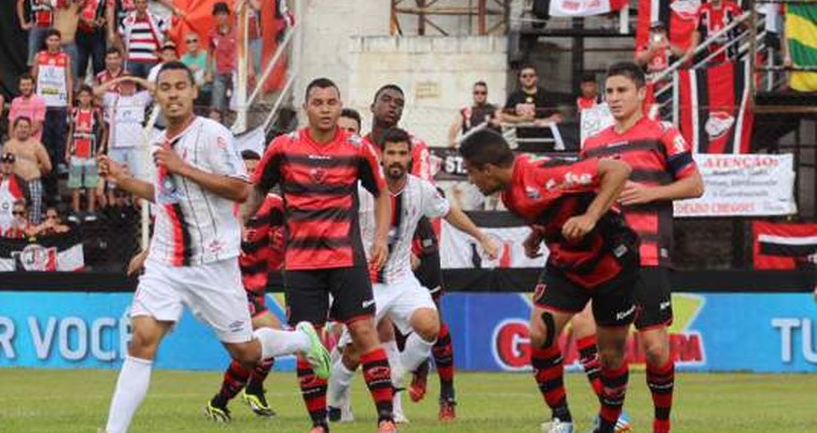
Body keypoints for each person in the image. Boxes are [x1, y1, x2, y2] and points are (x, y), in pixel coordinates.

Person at [99, 61, 329, 433]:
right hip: (167, 262)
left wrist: (182, 167)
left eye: (180, 86)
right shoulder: (158, 143)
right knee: (142, 339)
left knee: (247, 353)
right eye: (165, 88)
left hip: (213, 263)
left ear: (193, 93)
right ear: (156, 95)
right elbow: (166, 197)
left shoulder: (214, 135)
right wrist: (125, 181)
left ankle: (301, 339)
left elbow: (242, 189)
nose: (173, 93)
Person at [243, 78, 398, 432]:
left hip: (347, 258)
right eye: (318, 102)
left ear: (340, 105)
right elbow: (257, 191)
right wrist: (240, 223)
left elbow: (382, 193)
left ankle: (386, 418)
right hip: (300, 264)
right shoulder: (283, 147)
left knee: (363, 331)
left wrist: (381, 239)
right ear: (306, 108)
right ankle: (318, 423)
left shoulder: (357, 148)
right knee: (308, 340)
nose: (326, 109)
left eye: (332, 102)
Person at [458, 129, 635, 433]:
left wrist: (591, 217)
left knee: (610, 355)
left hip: (611, 259)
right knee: (540, 334)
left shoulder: (543, 174)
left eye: (471, 173)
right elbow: (555, 208)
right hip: (566, 263)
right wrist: (537, 233)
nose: (471, 181)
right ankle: (562, 419)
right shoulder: (510, 193)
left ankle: (609, 424)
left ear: (487, 169)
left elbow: (619, 169)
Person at [327, 128, 497, 424]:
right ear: (380, 155)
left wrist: (481, 237)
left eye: (402, 153)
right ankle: (333, 401)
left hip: (402, 278)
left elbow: (449, 212)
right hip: (365, 282)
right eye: (390, 153)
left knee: (430, 325)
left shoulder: (421, 189)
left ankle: (395, 374)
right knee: (353, 354)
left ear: (410, 156)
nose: (396, 159)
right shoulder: (360, 188)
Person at [574, 62, 705, 433]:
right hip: (604, 257)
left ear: (641, 92)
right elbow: (583, 195)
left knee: (655, 348)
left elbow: (695, 185)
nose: (613, 99)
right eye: (609, 92)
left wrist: (651, 193)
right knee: (592, 333)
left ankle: (661, 425)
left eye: (621, 91)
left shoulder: (662, 133)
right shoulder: (593, 144)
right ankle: (613, 419)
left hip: (647, 254)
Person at [204, 149, 286, 420]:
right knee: (271, 335)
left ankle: (222, 401)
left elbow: (281, 248)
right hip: (229, 290)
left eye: (255, 170)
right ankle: (252, 389)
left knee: (257, 349)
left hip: (256, 291)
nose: (251, 176)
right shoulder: (220, 204)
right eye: (246, 170)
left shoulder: (274, 205)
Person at [363, 84, 433, 182]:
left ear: (401, 113)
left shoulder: (415, 146)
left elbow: (423, 190)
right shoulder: (359, 147)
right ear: (372, 107)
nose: (393, 105)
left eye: (399, 103)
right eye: (386, 99)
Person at [96, 75, 154, 185]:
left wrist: (136, 79)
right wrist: (117, 80)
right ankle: (112, 201)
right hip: (115, 145)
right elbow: (96, 92)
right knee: (112, 179)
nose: (127, 86)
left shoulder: (141, 97)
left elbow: (156, 89)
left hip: (136, 145)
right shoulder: (112, 98)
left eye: (129, 83)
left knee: (138, 178)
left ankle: (136, 200)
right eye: (124, 83)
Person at [32, 29, 73, 173]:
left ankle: (61, 162)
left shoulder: (65, 57)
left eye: (56, 40)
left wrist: (70, 100)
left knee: (60, 133)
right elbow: (34, 78)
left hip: (60, 102)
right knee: (45, 134)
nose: (54, 43)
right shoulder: (39, 56)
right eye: (51, 40)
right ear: (46, 41)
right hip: (43, 102)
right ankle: (46, 161)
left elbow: (68, 79)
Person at [496, 65, 563, 151]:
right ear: (520, 79)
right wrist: (520, 119)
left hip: (544, 142)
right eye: (524, 76)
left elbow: (558, 117)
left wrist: (542, 122)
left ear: (536, 78)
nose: (528, 78)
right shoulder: (514, 96)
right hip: (521, 142)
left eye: (531, 75)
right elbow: (503, 116)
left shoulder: (546, 95)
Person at [3, 116, 51, 224]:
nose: (23, 129)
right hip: (14, 184)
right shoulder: (8, 145)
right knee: (14, 213)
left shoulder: (36, 145)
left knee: (34, 213)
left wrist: (35, 170)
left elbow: (47, 166)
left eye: (26, 127)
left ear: (30, 129)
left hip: (32, 182)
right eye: (20, 126)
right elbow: (3, 166)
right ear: (15, 128)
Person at [688, 0, 744, 65]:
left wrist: (741, 21)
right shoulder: (702, 9)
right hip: (709, 57)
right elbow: (697, 30)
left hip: (730, 55)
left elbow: (745, 26)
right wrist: (693, 46)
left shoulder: (732, 8)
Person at [67, 85, 104, 213]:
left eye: (87, 96)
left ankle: (91, 210)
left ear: (91, 97)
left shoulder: (95, 112)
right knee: (75, 183)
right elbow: (71, 132)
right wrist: (67, 151)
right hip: (76, 151)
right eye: (82, 96)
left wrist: (101, 147)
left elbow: (104, 129)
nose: (85, 98)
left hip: (91, 152)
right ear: (78, 97)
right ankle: (76, 211)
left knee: (91, 183)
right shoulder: (74, 112)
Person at [73, 0, 110, 83]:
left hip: (97, 33)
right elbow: (71, 13)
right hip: (81, 32)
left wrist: (103, 20)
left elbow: (109, 12)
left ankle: (97, 96)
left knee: (99, 65)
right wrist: (84, 20)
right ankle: (79, 95)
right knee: (80, 65)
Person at [120, 0, 170, 79]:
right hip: (132, 60)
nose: (141, 5)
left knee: (150, 86)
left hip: (151, 60)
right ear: (134, 4)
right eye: (138, 2)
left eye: (143, 2)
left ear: (147, 4)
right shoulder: (127, 20)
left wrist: (161, 52)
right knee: (132, 88)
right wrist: (123, 51)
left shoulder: (155, 19)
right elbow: (118, 35)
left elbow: (167, 34)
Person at [208, 1, 237, 120]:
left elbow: (245, 51)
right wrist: (208, 71)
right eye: (218, 14)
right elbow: (209, 53)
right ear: (214, 17)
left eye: (223, 14)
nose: (221, 17)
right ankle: (216, 131)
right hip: (220, 72)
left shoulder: (236, 31)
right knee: (217, 104)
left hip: (235, 73)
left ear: (227, 15)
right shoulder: (211, 34)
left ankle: (233, 130)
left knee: (234, 105)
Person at [448, 80, 500, 147]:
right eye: (476, 93)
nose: (480, 95)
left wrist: (492, 122)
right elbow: (452, 134)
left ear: (487, 94)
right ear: (473, 94)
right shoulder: (465, 111)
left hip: (488, 148)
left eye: (483, 93)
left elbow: (499, 122)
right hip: (471, 148)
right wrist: (453, 144)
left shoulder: (494, 109)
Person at [0, 153, 31, 235]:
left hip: (16, 228)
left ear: (14, 165)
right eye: (4, 162)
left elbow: (28, 203)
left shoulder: (21, 182)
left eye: (10, 163)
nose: (7, 165)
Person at [9, 73, 46, 140]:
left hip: (32, 143)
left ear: (33, 86)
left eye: (28, 85)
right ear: (19, 87)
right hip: (16, 142)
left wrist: (22, 138)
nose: (26, 87)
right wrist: (12, 140)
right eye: (23, 85)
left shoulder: (39, 101)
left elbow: (37, 125)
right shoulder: (15, 101)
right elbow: (11, 122)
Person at [180, 32, 212, 107]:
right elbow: (181, 78)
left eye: (194, 40)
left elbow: (212, 76)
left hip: (208, 91)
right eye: (188, 42)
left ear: (199, 42)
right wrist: (189, 70)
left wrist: (203, 78)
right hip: (190, 93)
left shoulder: (207, 56)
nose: (192, 43)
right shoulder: (183, 59)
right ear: (185, 45)